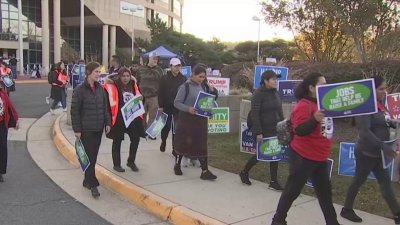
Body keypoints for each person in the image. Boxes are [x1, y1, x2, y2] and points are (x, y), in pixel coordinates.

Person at [271, 73, 339, 225]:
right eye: (321, 85)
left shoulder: (324, 104)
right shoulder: (304, 105)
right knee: (292, 192)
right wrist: (314, 118)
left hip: (320, 157)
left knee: (325, 194)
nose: (325, 88)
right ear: (311, 88)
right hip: (303, 157)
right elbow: (300, 130)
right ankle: (278, 220)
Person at [341, 76, 400, 224]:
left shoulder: (380, 104)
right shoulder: (365, 106)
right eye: (381, 89)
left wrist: (392, 123)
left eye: (385, 89)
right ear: (372, 89)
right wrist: (383, 146)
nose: (384, 92)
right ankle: (346, 209)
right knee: (358, 181)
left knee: (385, 183)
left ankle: (397, 214)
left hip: (379, 154)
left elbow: (382, 122)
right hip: (366, 153)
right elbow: (365, 132)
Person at [71, 61, 111, 198]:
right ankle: (93, 184)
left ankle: (86, 180)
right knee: (90, 157)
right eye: (96, 72)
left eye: (99, 72)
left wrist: (107, 123)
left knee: (93, 155)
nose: (98, 74)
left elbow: (105, 108)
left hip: (98, 128)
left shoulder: (101, 89)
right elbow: (74, 111)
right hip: (86, 129)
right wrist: (77, 129)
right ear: (88, 73)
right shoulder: (80, 90)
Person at [239, 70, 284, 191]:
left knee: (274, 154)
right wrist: (258, 132)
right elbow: (255, 114)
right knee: (260, 154)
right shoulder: (258, 94)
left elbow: (279, 111)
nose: (276, 81)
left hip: (275, 128)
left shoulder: (275, 93)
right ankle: (244, 172)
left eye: (276, 79)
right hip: (264, 129)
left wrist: (283, 125)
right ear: (265, 80)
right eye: (273, 79)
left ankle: (273, 181)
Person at [173, 64, 218, 180]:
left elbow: (205, 102)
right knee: (183, 144)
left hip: (200, 121)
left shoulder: (203, 86)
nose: (201, 79)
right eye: (200, 77)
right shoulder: (185, 87)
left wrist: (209, 112)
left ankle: (205, 171)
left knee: (201, 145)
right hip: (187, 120)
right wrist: (188, 109)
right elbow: (176, 103)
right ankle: (177, 165)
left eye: (203, 77)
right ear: (193, 75)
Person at [103, 68, 146, 172]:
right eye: (123, 76)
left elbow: (140, 96)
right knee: (117, 141)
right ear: (119, 76)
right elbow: (108, 103)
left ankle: (131, 161)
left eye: (127, 76)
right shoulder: (113, 86)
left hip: (132, 117)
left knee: (135, 139)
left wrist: (141, 98)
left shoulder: (134, 84)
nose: (126, 78)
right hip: (118, 118)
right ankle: (116, 164)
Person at [158, 58, 187, 155]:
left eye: (179, 66)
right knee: (165, 127)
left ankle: (175, 148)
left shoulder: (183, 79)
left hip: (178, 107)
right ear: (170, 66)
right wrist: (160, 106)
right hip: (166, 106)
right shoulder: (164, 78)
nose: (177, 68)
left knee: (176, 129)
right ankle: (163, 141)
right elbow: (160, 92)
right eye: (175, 66)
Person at [136, 52, 164, 137]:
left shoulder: (159, 70)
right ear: (149, 58)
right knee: (142, 114)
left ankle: (150, 132)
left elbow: (162, 82)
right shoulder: (141, 69)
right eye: (154, 58)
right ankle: (143, 131)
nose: (155, 60)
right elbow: (138, 81)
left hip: (154, 95)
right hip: (142, 95)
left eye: (157, 59)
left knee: (153, 115)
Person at [0, 84, 19, 182]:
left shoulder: (3, 93)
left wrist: (15, 120)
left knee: (2, 148)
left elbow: (10, 107)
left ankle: (0, 172)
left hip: (2, 125)